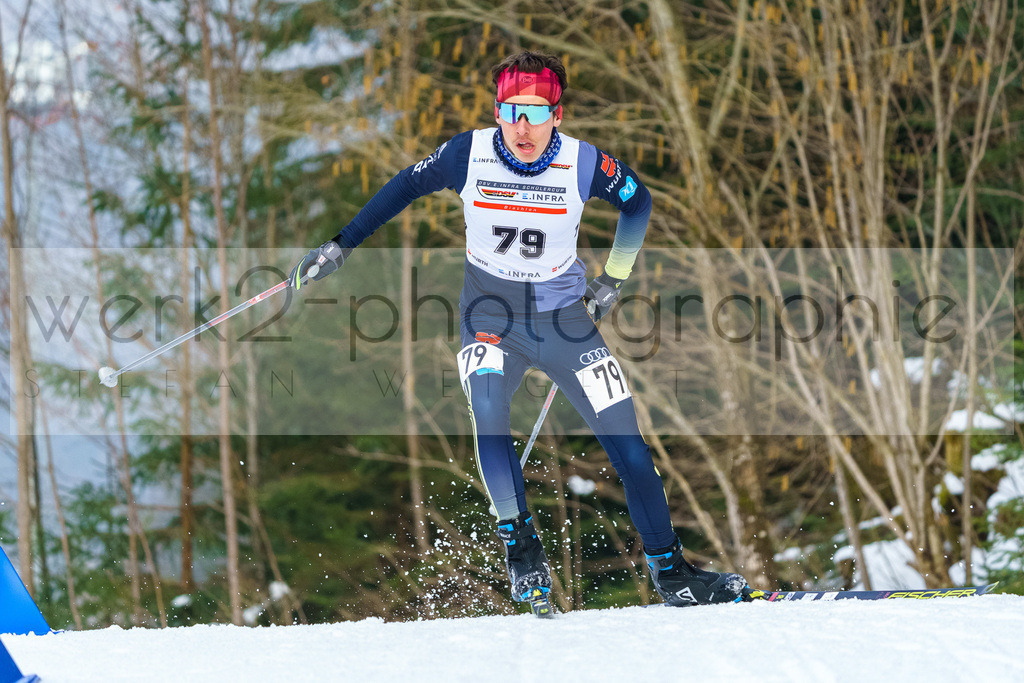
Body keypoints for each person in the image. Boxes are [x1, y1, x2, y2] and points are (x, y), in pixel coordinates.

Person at [291, 51, 748, 615]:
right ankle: (523, 551)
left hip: (566, 324)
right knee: (489, 414)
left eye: (535, 113)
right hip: (490, 320)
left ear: (558, 115)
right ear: (497, 112)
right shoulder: (467, 153)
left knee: (629, 445)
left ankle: (673, 573)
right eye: (512, 112)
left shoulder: (584, 163)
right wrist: (341, 244)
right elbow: (403, 186)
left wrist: (613, 278)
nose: (522, 127)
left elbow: (639, 203)